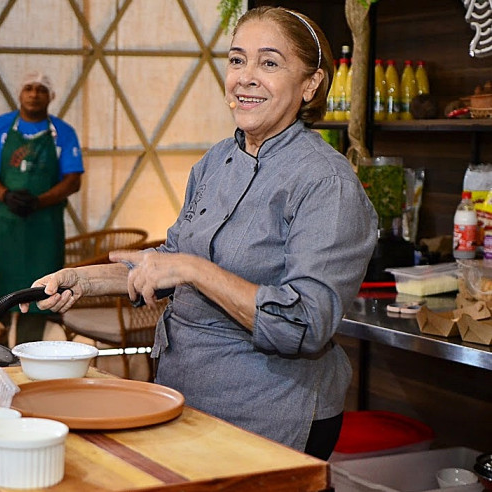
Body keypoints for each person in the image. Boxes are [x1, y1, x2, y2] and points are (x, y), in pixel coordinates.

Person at [20, 7, 377, 460]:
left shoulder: (326, 182)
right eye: (237, 60)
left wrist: (194, 269)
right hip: (184, 394)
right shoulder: (215, 162)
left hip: (267, 411)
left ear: (310, 85)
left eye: (269, 63)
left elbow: (304, 325)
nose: (245, 78)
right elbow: (170, 261)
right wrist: (83, 281)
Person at [0, 71, 83, 344]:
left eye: (41, 89)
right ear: (20, 93)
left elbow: (73, 180)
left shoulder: (62, 133)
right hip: (5, 229)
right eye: (29, 88)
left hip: (44, 232)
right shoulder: (0, 128)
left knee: (39, 297)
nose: (34, 94)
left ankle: (28, 352)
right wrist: (6, 195)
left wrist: (39, 201)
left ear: (51, 96)